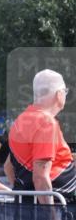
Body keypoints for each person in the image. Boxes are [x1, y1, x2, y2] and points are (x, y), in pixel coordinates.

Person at [8, 69, 75, 204]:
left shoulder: (22, 120)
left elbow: (8, 167)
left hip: (28, 207)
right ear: (59, 94)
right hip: (57, 209)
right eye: (65, 91)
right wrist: (51, 218)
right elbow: (40, 177)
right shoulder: (46, 123)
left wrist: (25, 193)